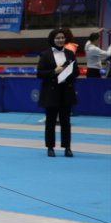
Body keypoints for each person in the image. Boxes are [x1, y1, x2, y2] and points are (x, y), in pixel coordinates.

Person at [38, 28, 79, 157]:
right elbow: (40, 73)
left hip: (66, 91)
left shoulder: (70, 53)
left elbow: (76, 71)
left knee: (66, 122)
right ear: (52, 39)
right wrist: (54, 72)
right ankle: (50, 147)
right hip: (51, 92)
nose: (60, 40)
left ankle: (67, 147)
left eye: (62, 38)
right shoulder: (45, 54)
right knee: (50, 122)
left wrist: (67, 73)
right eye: (57, 38)